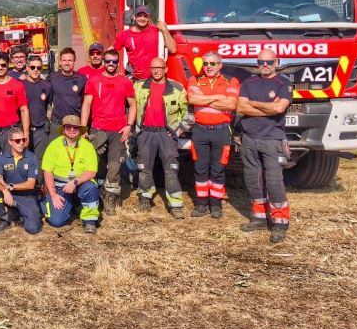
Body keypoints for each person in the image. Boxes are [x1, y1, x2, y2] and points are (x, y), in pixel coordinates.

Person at [236, 48, 293, 243]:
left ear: (276, 62)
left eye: (269, 62)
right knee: (253, 178)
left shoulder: (284, 83)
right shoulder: (248, 82)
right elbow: (240, 107)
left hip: (272, 139)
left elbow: (279, 108)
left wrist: (253, 105)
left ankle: (279, 222)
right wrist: (268, 108)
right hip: (249, 138)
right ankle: (259, 217)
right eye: (261, 62)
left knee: (274, 180)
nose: (265, 65)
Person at [80, 49, 135, 216]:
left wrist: (129, 126)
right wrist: (84, 129)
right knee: (93, 164)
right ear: (103, 61)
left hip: (118, 130)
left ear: (118, 63)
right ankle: (91, 196)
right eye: (108, 61)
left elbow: (133, 105)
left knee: (114, 166)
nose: (111, 64)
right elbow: (86, 105)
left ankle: (110, 197)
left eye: (114, 61)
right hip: (98, 129)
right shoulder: (94, 80)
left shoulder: (125, 81)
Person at [186, 51, 239, 219]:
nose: (208, 67)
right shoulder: (195, 79)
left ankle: (215, 204)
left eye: (212, 64)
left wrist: (206, 98)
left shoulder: (231, 81)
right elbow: (192, 99)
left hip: (221, 130)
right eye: (206, 64)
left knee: (218, 169)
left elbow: (231, 103)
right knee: (200, 168)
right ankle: (201, 204)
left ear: (220, 65)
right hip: (200, 130)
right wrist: (218, 97)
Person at [133, 57, 188, 219]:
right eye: (153, 68)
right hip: (146, 133)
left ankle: (175, 204)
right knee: (144, 167)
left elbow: (188, 113)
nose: (156, 70)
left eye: (159, 67)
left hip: (167, 134)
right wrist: (135, 130)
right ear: (150, 69)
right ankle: (145, 197)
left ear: (166, 69)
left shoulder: (177, 89)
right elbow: (128, 105)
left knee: (171, 169)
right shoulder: (139, 87)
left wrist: (178, 131)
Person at [0, 52, 30, 212]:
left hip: (12, 131)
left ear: (8, 65)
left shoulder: (17, 85)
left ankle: (12, 195)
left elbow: (24, 110)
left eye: (3, 65)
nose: (0, 68)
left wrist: (26, 134)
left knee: (11, 165)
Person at [41, 115, 101, 234]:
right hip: (59, 186)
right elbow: (47, 171)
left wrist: (74, 182)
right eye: (69, 127)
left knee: (91, 187)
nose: (72, 130)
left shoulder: (87, 146)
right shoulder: (53, 145)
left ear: (80, 130)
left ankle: (89, 220)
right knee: (56, 222)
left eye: (75, 128)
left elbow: (92, 172)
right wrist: (53, 196)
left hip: (80, 183)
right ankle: (69, 205)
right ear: (63, 130)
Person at [0, 126, 42, 234]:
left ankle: (18, 212)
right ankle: (4, 219)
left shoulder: (31, 157)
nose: (22, 143)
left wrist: (10, 186)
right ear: (10, 142)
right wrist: (5, 190)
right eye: (18, 140)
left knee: (33, 229)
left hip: (27, 196)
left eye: (24, 139)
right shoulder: (2, 158)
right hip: (10, 194)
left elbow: (31, 184)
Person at [112, 5, 177, 80]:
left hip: (155, 79)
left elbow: (173, 49)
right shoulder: (124, 35)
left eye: (145, 16)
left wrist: (165, 30)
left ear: (149, 18)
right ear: (134, 16)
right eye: (139, 15)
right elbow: (112, 51)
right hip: (137, 79)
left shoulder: (156, 31)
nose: (142, 19)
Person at [48, 47, 88, 142]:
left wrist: (83, 126)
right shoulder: (52, 77)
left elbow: (86, 103)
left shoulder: (82, 79)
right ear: (60, 62)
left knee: (74, 154)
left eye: (70, 60)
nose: (67, 63)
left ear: (74, 62)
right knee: (55, 153)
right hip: (57, 123)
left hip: (75, 125)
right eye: (64, 60)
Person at [21, 55, 52, 156]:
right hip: (22, 130)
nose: (35, 70)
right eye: (32, 67)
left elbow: (48, 106)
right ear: (27, 68)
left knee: (39, 162)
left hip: (41, 130)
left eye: (38, 68)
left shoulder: (47, 86)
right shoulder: (20, 85)